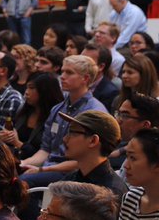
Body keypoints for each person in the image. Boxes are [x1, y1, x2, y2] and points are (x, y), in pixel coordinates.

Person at [20, 55, 109, 187]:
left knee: (23, 182)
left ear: (85, 78)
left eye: (69, 72)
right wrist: (22, 163)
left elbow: (85, 161)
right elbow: (45, 151)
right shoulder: (57, 109)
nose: (62, 76)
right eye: (62, 72)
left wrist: (42, 169)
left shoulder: (94, 112)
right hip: (49, 167)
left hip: (75, 173)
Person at [0, 72, 63, 162]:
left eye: (31, 88)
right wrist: (5, 137)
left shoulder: (56, 117)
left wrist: (18, 143)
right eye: (27, 87)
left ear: (44, 91)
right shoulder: (23, 111)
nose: (26, 92)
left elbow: (47, 152)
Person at [83, 45, 121, 112]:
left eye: (85, 62)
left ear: (100, 67)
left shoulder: (110, 93)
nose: (79, 65)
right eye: (79, 60)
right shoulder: (75, 83)